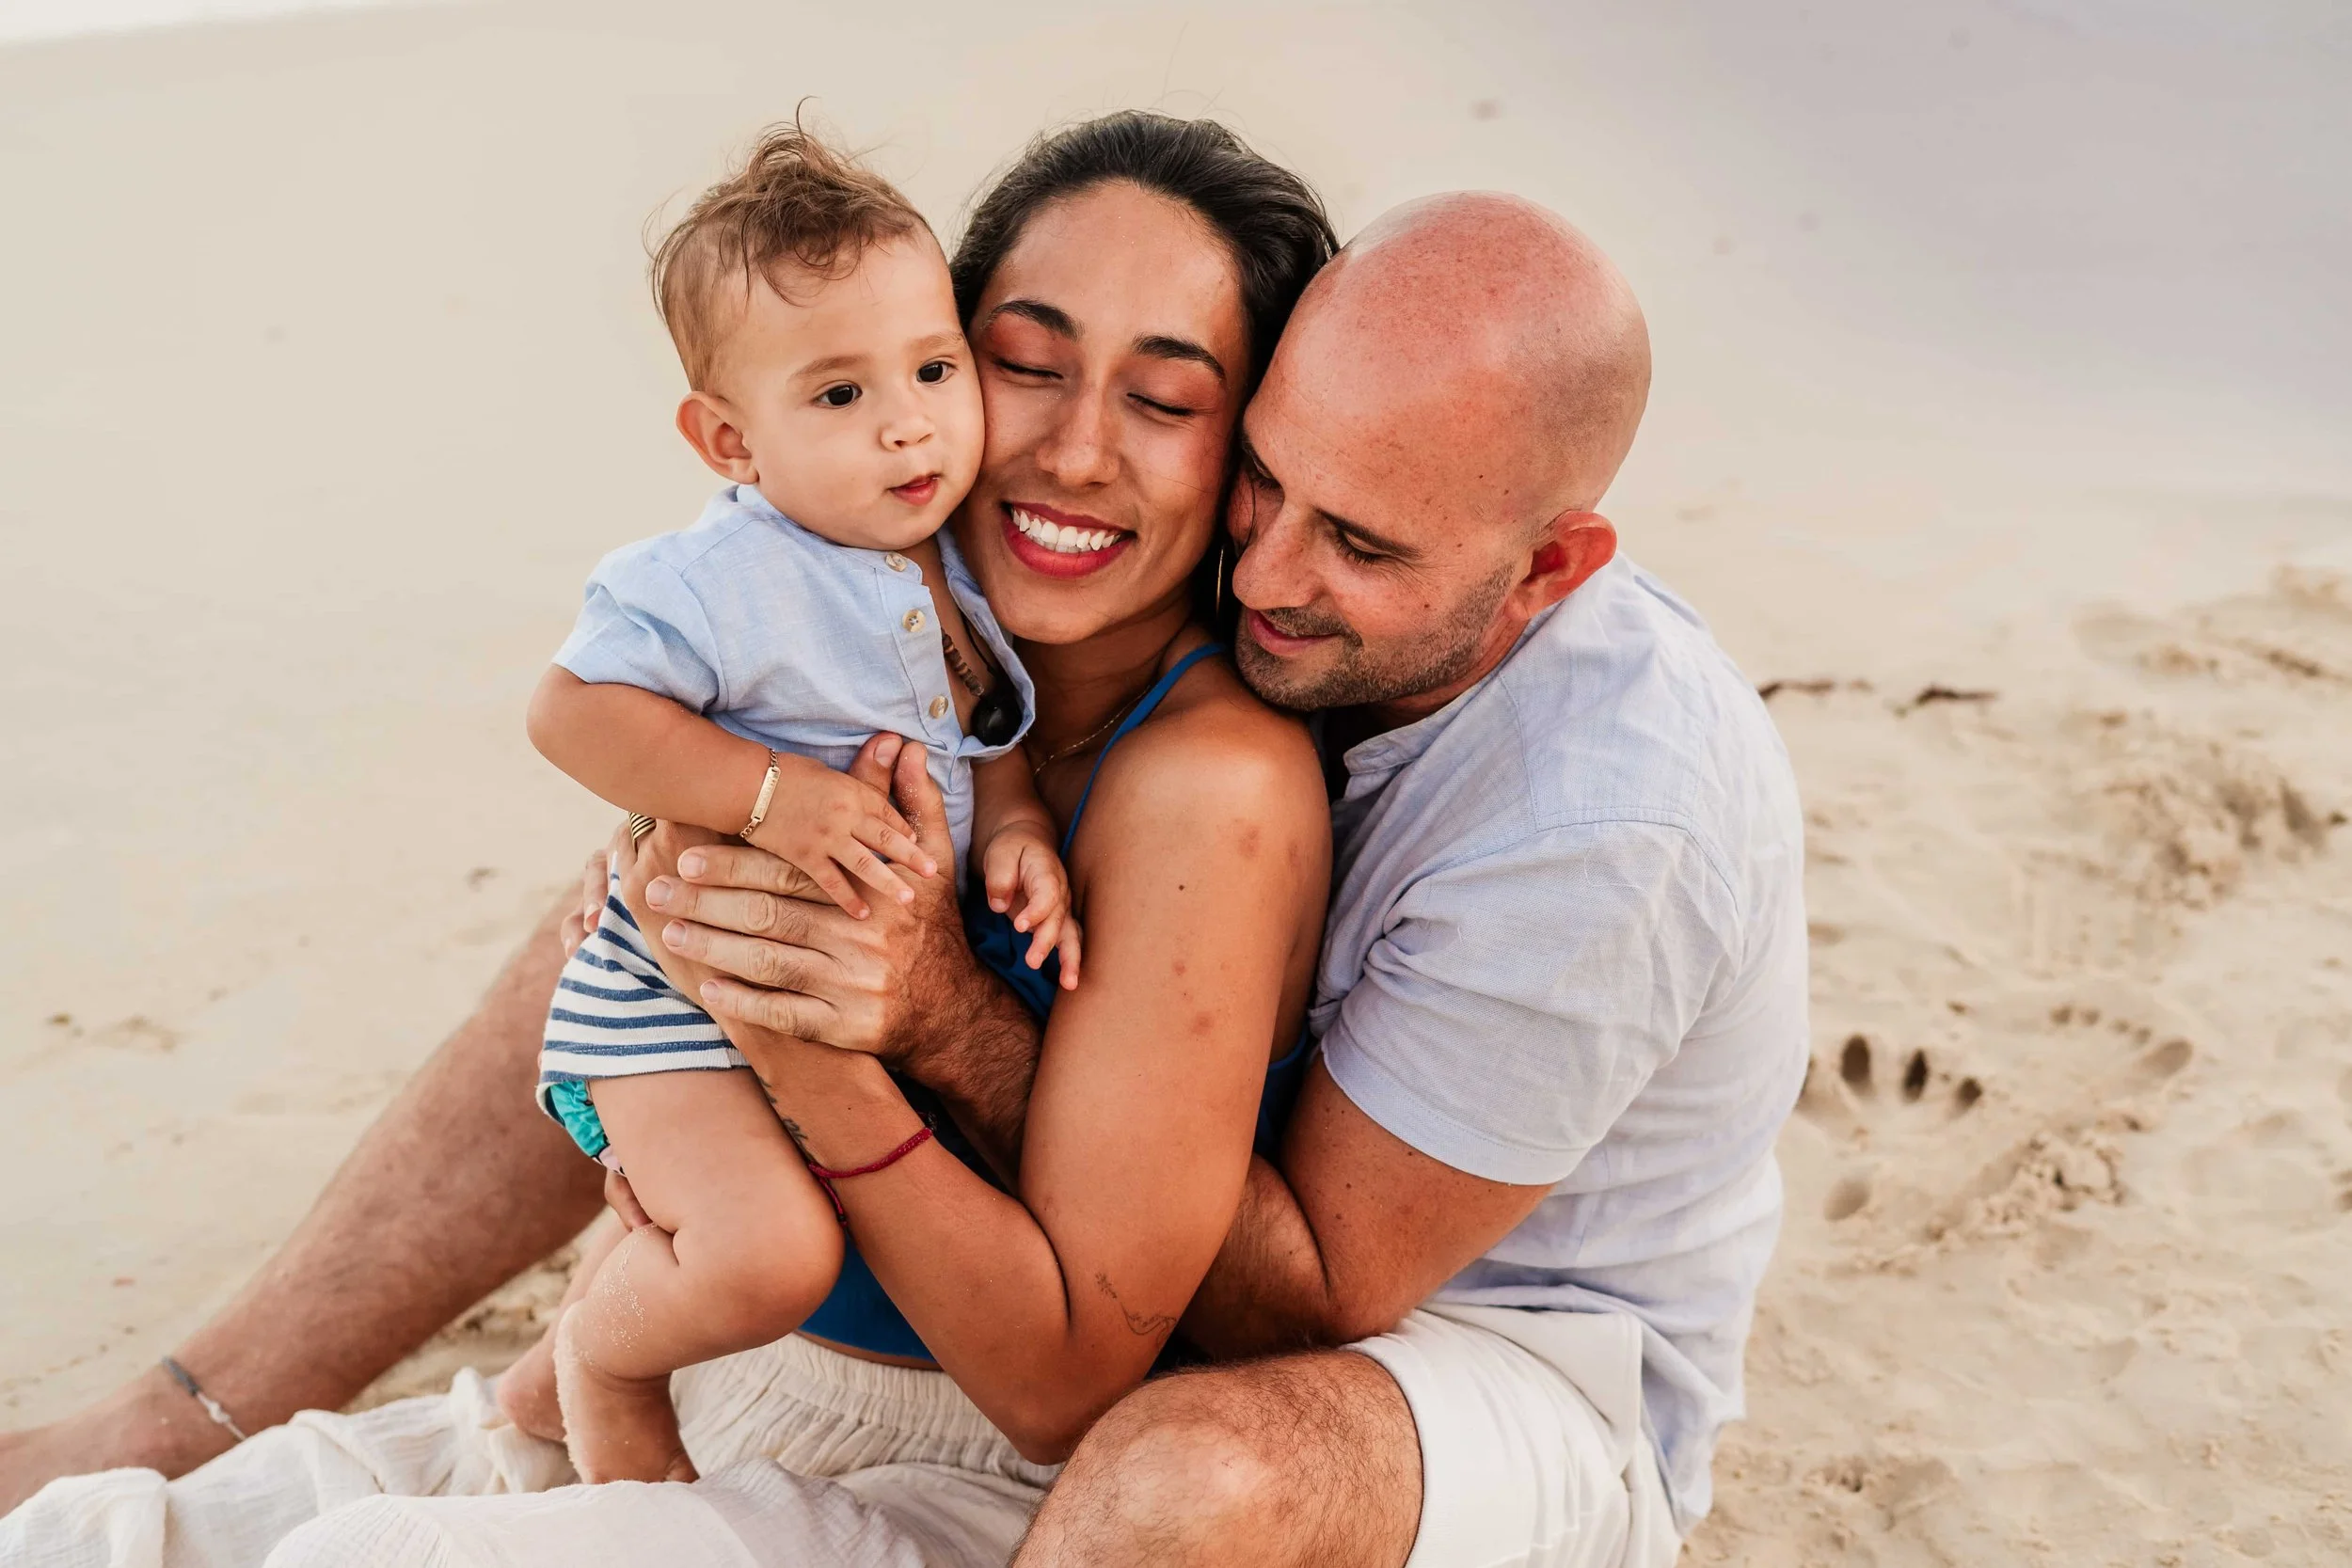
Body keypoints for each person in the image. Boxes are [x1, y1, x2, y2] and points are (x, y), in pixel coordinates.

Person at [5, 127, 1812, 1568]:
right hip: (871, 1347)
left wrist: (883, 1017)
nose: (1268, 570)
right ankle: (195, 1409)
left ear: (1549, 563)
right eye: (1019, 363)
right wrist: (704, 951)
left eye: (1353, 536)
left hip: (1481, 1353)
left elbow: (1301, 1289)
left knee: (1182, 1479)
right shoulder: (932, 587)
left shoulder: (1595, 811)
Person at [513, 120, 1088, 1485]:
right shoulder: (718, 574)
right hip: (673, 1006)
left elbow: (987, 733)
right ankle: (603, 1360)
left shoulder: (942, 561)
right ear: (729, 437)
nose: (909, 421)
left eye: (936, 369)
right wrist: (767, 795)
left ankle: (542, 1376)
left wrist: (1015, 836)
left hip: (817, 1001)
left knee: (744, 1218)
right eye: (836, 395)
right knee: (769, 1253)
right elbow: (572, 710)